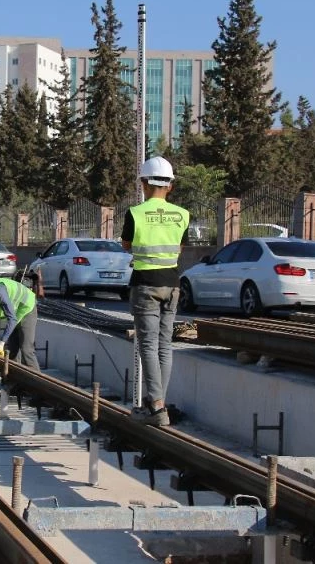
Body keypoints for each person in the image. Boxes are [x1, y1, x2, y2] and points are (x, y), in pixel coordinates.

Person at [120, 156, 189, 427]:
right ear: (170, 186)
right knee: (164, 346)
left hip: (145, 284)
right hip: (172, 285)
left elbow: (126, 244)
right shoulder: (182, 215)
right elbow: (179, 249)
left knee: (147, 344)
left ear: (143, 184)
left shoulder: (135, 213)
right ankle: (159, 403)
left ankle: (157, 406)